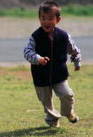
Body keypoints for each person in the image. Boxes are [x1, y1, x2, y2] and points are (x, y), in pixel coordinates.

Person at [24, 0, 81, 128]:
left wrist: (77, 61)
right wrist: (37, 58)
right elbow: (27, 52)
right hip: (41, 76)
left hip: (59, 75)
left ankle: (68, 112)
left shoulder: (64, 36)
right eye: (43, 18)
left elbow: (74, 50)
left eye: (50, 18)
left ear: (58, 19)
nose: (46, 22)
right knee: (46, 102)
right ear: (39, 19)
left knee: (67, 95)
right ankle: (52, 119)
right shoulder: (35, 37)